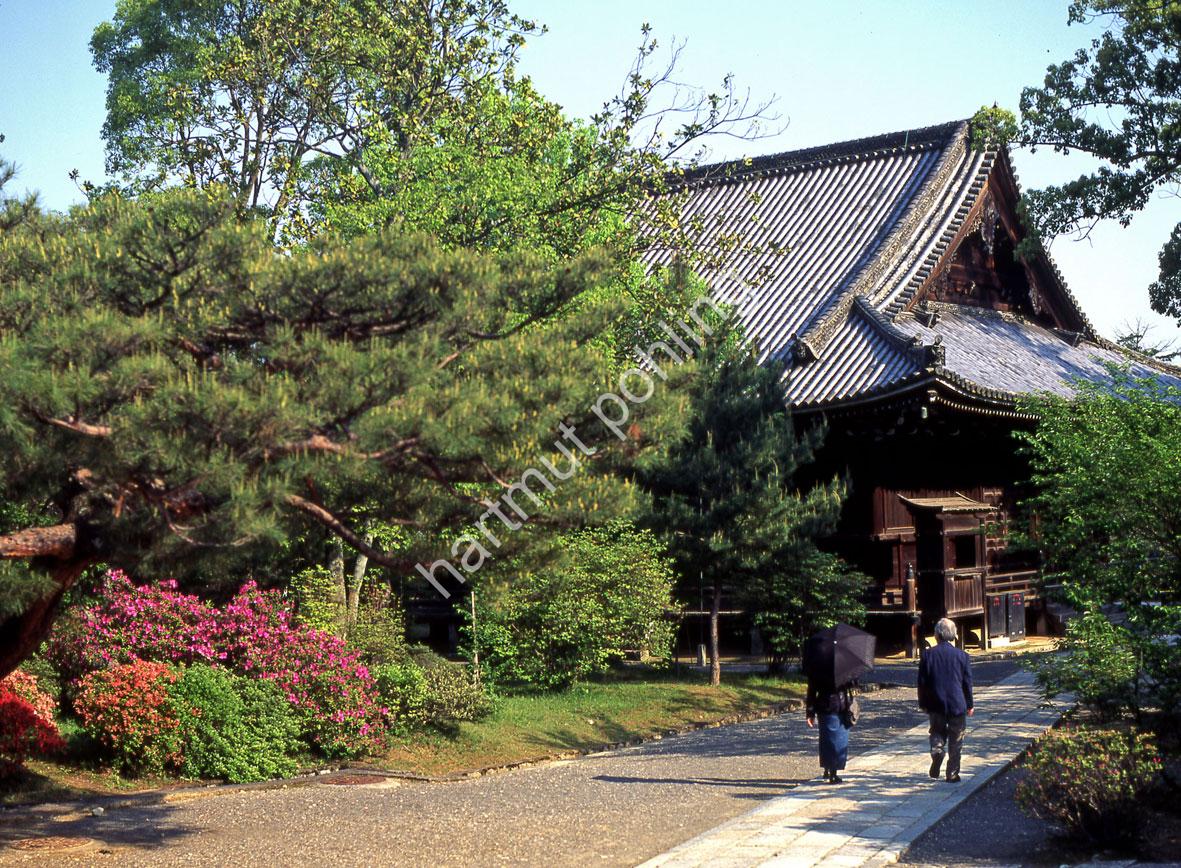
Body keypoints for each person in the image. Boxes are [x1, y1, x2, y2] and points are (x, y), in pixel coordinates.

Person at [917, 617, 974, 783]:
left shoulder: (928, 655)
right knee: (957, 739)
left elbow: (922, 683)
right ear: (953, 635)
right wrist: (969, 704)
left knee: (936, 731)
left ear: (937, 635)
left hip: (935, 702)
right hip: (957, 702)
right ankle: (952, 773)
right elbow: (967, 683)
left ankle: (937, 752)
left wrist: (923, 703)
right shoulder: (962, 656)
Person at [805, 676, 855, 784]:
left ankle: (828, 768)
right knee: (838, 740)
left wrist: (810, 712)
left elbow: (812, 690)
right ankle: (833, 772)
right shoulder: (845, 666)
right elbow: (852, 684)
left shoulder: (818, 667)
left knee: (827, 738)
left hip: (826, 707)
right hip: (840, 706)